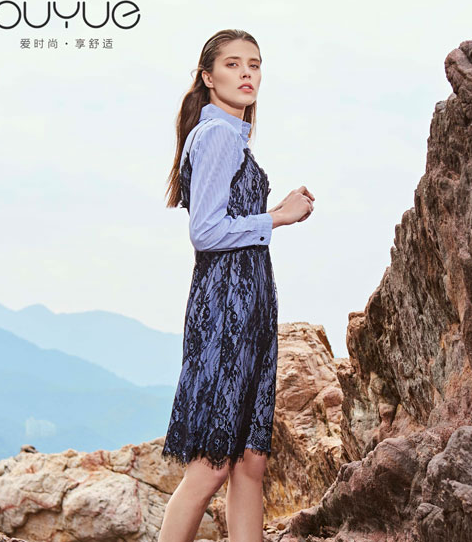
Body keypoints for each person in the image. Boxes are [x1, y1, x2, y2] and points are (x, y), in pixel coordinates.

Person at [161, 28, 315, 542]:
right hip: (225, 309)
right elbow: (205, 231)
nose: (247, 73)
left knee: (250, 462)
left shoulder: (233, 136)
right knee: (211, 465)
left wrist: (274, 211)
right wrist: (278, 217)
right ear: (208, 77)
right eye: (232, 64)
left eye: (254, 64)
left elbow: (228, 219)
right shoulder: (217, 135)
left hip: (249, 305)